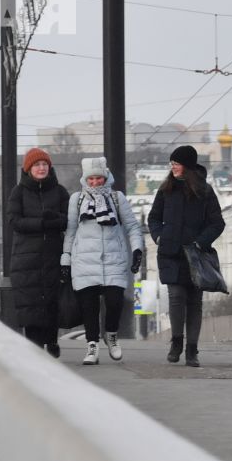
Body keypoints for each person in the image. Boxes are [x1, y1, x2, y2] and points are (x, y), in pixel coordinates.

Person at [147, 145, 226, 367]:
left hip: (195, 255)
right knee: (175, 297)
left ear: (188, 166)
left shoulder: (205, 191)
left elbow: (217, 223)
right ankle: (176, 343)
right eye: (171, 163)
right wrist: (159, 237)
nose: (173, 167)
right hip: (170, 253)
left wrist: (200, 242)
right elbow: (153, 218)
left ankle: (192, 350)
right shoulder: (166, 190)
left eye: (177, 163)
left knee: (194, 302)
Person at [62, 156, 143, 366]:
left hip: (114, 259)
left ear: (105, 177)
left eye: (99, 178)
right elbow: (70, 232)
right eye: (91, 179)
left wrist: (137, 250)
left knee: (115, 302)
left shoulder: (117, 198)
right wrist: (66, 259)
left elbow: (133, 227)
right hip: (84, 261)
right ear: (85, 180)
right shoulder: (77, 200)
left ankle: (112, 335)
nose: (95, 182)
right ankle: (92, 345)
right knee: (89, 307)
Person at [5, 147, 71, 358]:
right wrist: (42, 223)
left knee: (52, 301)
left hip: (53, 255)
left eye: (44, 164)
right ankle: (33, 348)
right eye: (37, 165)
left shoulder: (59, 191)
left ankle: (51, 341)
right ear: (28, 169)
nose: (41, 168)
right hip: (26, 258)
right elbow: (14, 221)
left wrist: (55, 220)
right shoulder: (19, 192)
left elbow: (69, 219)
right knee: (30, 303)